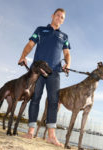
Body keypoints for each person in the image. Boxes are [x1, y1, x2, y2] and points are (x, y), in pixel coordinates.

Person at [18, 8, 71, 146]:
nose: (59, 18)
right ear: (52, 16)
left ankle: (51, 136)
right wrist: (23, 56)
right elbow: (30, 44)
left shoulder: (64, 36)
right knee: (35, 98)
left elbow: (66, 54)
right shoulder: (40, 30)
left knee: (54, 101)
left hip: (55, 72)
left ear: (63, 21)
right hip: (37, 71)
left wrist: (68, 64)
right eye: (58, 15)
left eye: (62, 17)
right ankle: (30, 131)